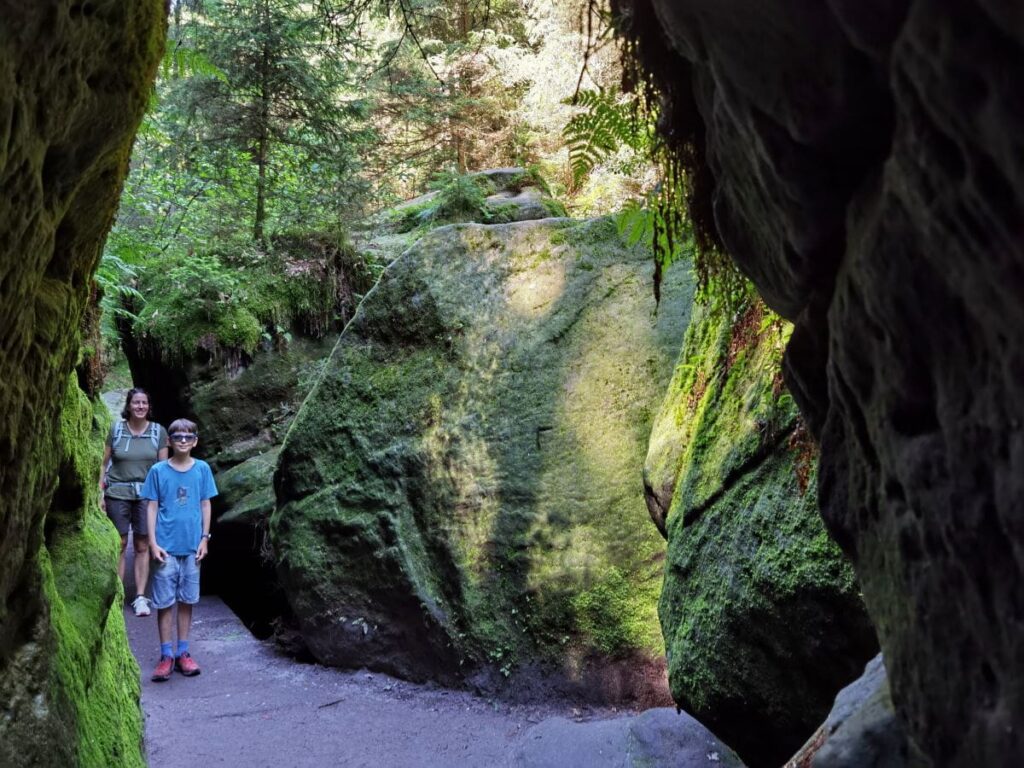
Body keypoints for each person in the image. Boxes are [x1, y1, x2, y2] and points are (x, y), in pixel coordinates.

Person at [142, 417, 218, 681]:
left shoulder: (202, 469)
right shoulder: (158, 471)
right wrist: (152, 542)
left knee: (187, 600)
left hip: (192, 547)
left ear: (195, 441)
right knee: (164, 602)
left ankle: (183, 652)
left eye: (188, 437)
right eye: (178, 437)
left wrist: (204, 538)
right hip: (165, 547)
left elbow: (205, 504)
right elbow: (151, 507)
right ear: (170, 441)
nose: (183, 441)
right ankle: (166, 655)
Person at [99, 388, 169, 617]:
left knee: (142, 545)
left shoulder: (158, 432)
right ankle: (117, 595)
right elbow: (103, 464)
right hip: (117, 493)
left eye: (144, 403)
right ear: (129, 406)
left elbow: (163, 469)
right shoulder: (116, 430)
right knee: (119, 543)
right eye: (136, 403)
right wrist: (100, 493)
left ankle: (140, 597)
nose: (140, 407)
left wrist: (162, 499)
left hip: (146, 497)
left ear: (149, 406)